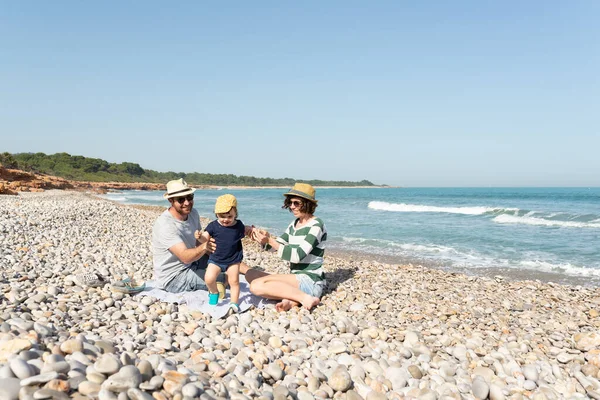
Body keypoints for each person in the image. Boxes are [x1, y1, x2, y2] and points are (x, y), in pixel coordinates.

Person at [248, 183, 326, 311]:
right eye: (290, 203)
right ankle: (290, 301)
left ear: (308, 204)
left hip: (310, 280)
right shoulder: (294, 224)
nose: (292, 206)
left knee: (256, 285)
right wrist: (261, 239)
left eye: (296, 203)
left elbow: (297, 255)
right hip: (296, 278)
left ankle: (305, 298)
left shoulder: (316, 225)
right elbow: (275, 247)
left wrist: (270, 240)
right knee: (250, 274)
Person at [151, 178, 224, 293]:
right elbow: (185, 257)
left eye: (189, 197)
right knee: (226, 279)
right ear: (171, 200)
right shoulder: (165, 225)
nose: (187, 203)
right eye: (181, 199)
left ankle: (251, 272)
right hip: (174, 277)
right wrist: (205, 247)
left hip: (193, 262)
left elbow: (198, 243)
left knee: (229, 264)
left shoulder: (193, 213)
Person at [196, 194, 253, 313]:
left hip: (233, 260)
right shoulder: (213, 226)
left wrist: (251, 230)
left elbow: (245, 231)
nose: (226, 219)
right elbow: (205, 238)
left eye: (230, 216)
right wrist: (200, 237)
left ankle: (234, 303)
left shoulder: (238, 225)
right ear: (216, 214)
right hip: (216, 259)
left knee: (234, 282)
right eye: (222, 216)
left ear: (235, 214)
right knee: (209, 278)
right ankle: (214, 292)